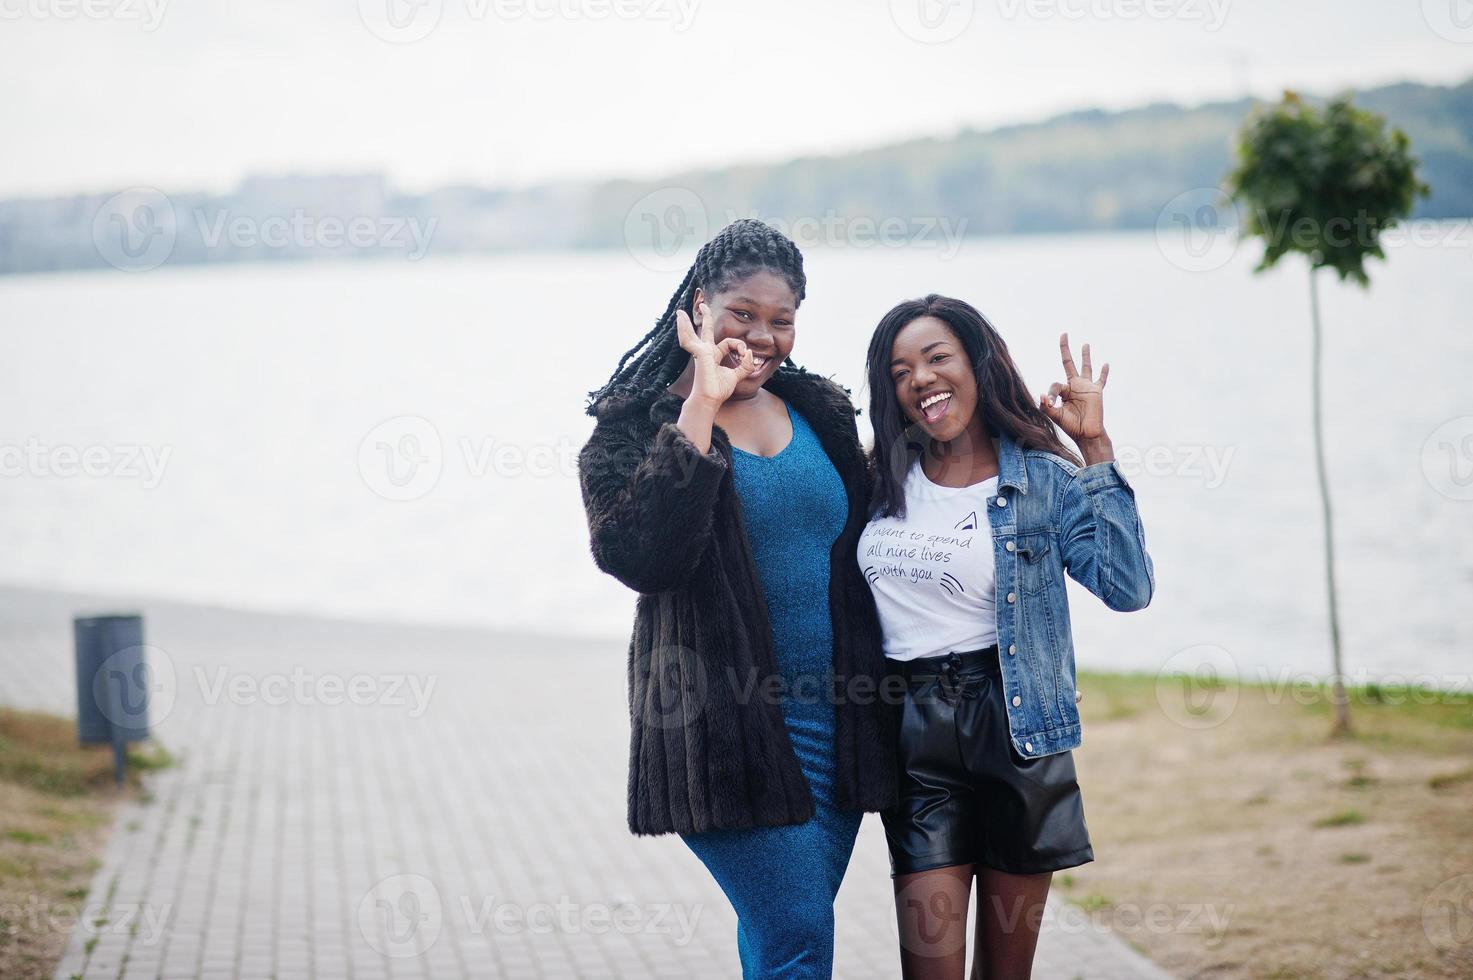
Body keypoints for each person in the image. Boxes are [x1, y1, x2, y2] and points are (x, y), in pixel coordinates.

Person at [577, 218, 897, 979]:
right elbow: (641, 558)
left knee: (778, 936)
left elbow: (881, 525)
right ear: (697, 309)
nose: (761, 336)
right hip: (722, 732)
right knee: (797, 934)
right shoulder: (631, 429)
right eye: (741, 315)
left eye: (780, 320)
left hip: (836, 727)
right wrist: (698, 410)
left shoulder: (818, 410)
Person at [857, 294, 1154, 979]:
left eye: (936, 359)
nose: (921, 379)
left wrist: (1095, 450)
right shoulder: (875, 480)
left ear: (977, 363)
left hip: (1014, 731)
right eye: (901, 371)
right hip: (912, 738)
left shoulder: (1042, 480)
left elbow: (1127, 587)